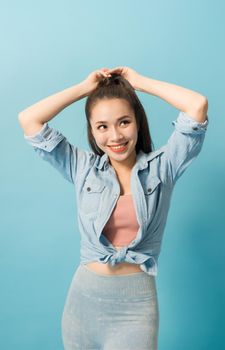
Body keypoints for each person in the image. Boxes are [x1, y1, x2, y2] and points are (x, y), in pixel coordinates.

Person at [18, 66, 209, 349]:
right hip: (83, 302)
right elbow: (29, 119)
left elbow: (197, 105)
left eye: (124, 122)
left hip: (137, 306)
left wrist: (139, 83)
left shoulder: (164, 167)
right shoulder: (82, 168)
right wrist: (85, 88)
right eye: (102, 126)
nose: (115, 136)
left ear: (138, 123)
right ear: (93, 131)